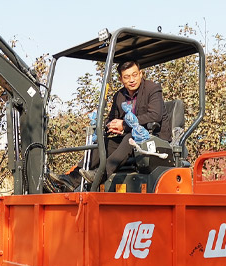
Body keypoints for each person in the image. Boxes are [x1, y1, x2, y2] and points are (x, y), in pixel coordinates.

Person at [50, 60, 171, 191]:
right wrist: (110, 125)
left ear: (141, 74)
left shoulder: (152, 89)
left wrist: (124, 124)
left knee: (130, 138)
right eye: (127, 77)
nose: (132, 80)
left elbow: (155, 116)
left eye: (135, 75)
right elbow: (111, 118)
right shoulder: (119, 95)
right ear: (120, 79)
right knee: (104, 143)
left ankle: (100, 174)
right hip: (130, 138)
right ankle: (71, 179)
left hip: (153, 138)